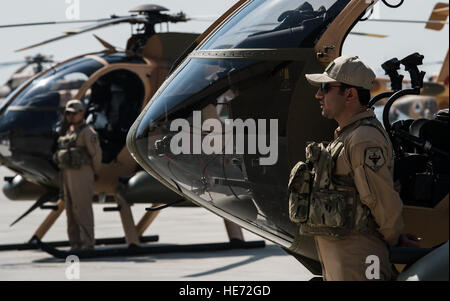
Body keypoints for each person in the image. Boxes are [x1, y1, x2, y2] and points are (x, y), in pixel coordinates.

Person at [292, 55, 418, 280]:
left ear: (349, 94)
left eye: (325, 88)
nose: (318, 95)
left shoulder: (363, 138)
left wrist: (396, 238)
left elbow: (379, 199)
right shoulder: (348, 136)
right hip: (343, 258)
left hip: (359, 258)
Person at [54, 99, 102, 250]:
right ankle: (75, 243)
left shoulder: (88, 132)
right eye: (67, 114)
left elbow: (96, 154)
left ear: (82, 113)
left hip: (82, 173)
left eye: (74, 113)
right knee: (70, 210)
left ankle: (88, 244)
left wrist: (95, 171)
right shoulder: (70, 131)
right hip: (67, 174)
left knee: (82, 209)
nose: (70, 116)